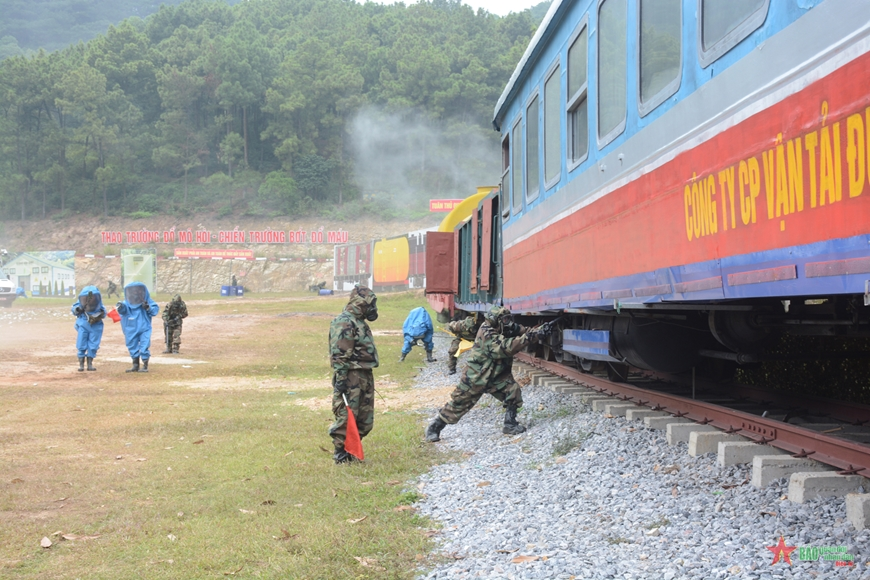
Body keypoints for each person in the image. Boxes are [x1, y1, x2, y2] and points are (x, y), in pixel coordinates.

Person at [425, 305, 548, 442]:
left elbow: (522, 330)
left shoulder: (505, 327)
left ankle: (510, 424)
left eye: (508, 318)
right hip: (476, 378)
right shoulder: (486, 333)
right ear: (495, 320)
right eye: (504, 319)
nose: (508, 322)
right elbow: (506, 347)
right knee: (458, 404)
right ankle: (434, 428)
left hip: (496, 376)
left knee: (512, 392)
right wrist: (530, 338)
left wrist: (538, 331)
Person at [328, 285, 379, 464]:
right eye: (370, 304)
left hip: (364, 373)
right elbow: (340, 354)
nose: (373, 308)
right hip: (351, 376)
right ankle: (341, 453)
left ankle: (352, 449)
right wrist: (341, 380)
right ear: (361, 303)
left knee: (365, 418)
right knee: (347, 415)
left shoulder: (358, 321)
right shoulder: (344, 321)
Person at [116, 282, 159, 373]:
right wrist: (120, 307)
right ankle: (135, 365)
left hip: (144, 328)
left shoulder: (148, 301)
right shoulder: (126, 304)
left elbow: (154, 311)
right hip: (130, 329)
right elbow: (122, 311)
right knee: (132, 346)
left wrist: (148, 307)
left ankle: (145, 365)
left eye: (138, 290)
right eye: (133, 290)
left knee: (144, 345)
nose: (135, 292)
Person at [71, 285, 106, 371]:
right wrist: (77, 310)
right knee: (81, 344)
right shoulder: (80, 304)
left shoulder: (99, 306)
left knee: (93, 345)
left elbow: (104, 312)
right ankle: (81, 365)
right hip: (83, 325)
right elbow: (74, 309)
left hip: (96, 326)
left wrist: (100, 314)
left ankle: (90, 364)